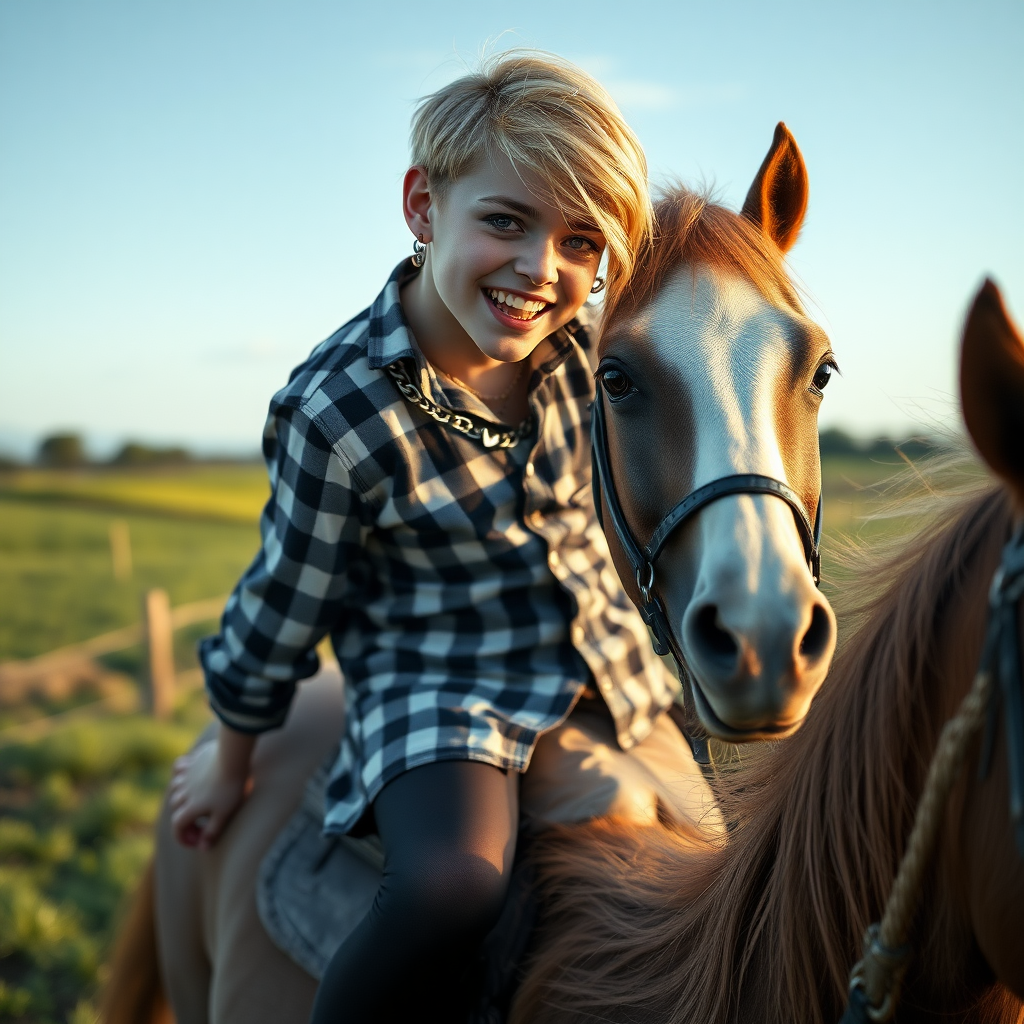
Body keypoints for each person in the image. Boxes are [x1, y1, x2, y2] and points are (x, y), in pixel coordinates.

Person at [168, 50, 690, 1022]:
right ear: (422, 207)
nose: (541, 270)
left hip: (602, 659)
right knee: (454, 882)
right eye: (505, 221)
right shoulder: (337, 407)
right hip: (442, 679)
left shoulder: (586, 350)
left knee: (732, 854)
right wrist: (233, 752)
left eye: (582, 242)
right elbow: (288, 595)